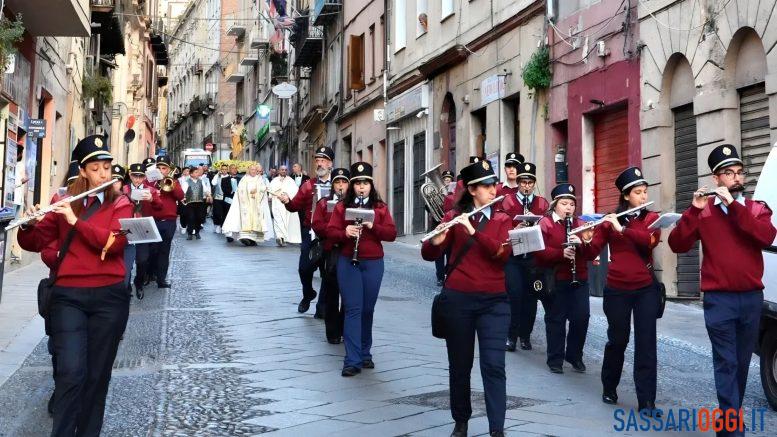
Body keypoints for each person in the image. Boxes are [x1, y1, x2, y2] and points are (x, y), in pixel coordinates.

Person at [17, 134, 132, 436]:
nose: (103, 174)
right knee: (69, 372)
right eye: (95, 169)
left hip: (109, 297)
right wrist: (28, 224)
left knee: (97, 376)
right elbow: (34, 242)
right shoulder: (63, 201)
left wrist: (76, 222)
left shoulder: (122, 203)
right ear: (82, 171)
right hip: (68, 297)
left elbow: (115, 245)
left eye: (107, 167)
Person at [669, 145, 776, 432]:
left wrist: (735, 207)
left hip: (751, 299)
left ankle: (727, 419)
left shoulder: (757, 209)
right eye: (729, 173)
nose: (736, 177)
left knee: (741, 364)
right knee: (726, 363)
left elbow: (765, 236)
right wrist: (693, 210)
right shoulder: (703, 212)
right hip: (719, 300)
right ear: (716, 179)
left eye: (739, 172)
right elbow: (677, 244)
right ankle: (732, 428)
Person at [421, 159, 512, 437]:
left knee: (494, 365)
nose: (493, 189)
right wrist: (434, 242)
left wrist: (473, 232)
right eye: (486, 186)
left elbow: (501, 254)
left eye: (494, 184)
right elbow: (429, 254)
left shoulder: (502, 219)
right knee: (460, 365)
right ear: (472, 190)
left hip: (494, 301)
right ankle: (461, 421)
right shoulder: (453, 217)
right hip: (459, 299)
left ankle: (497, 428)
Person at [584, 167, 663, 415]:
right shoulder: (610, 220)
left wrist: (622, 229)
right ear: (626, 196)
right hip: (617, 289)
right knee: (618, 340)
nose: (643, 196)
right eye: (638, 192)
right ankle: (609, 387)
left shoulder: (652, 218)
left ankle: (647, 401)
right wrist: (585, 239)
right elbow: (592, 251)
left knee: (646, 343)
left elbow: (649, 241)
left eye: (644, 191)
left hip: (645, 289)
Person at [327, 162, 397, 377]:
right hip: (349, 261)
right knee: (353, 309)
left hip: (373, 262)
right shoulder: (342, 207)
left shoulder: (380, 207)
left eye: (365, 183)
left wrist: (373, 226)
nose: (361, 187)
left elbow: (391, 234)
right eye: (357, 183)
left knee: (367, 309)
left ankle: (365, 353)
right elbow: (330, 232)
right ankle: (352, 359)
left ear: (371, 185)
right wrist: (345, 232)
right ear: (352, 186)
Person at [534, 183, 598, 374]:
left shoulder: (581, 224)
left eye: (572, 204)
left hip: (579, 278)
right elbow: (538, 252)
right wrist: (560, 254)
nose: (569, 208)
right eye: (564, 204)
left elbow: (592, 254)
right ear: (555, 205)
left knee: (581, 317)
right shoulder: (545, 223)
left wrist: (583, 244)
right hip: (556, 279)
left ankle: (574, 355)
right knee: (556, 319)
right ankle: (555, 359)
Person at [500, 161, 549, 352]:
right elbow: (501, 225)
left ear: (534, 183)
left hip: (533, 258)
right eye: (523, 182)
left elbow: (548, 227)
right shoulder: (508, 201)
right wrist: (515, 227)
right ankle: (510, 336)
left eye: (530, 183)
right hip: (514, 257)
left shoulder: (542, 203)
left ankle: (525, 336)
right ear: (518, 183)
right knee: (514, 295)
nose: (526, 186)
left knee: (531, 298)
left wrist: (538, 225)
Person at [280, 147, 334, 314]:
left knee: (328, 271)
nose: (319, 164)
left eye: (323, 160)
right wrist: (287, 201)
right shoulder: (308, 185)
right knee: (304, 268)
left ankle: (322, 307)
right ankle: (308, 293)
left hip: (331, 234)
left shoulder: (339, 184)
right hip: (310, 232)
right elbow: (294, 206)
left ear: (330, 164)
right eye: (317, 161)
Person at [311, 168, 350, 344]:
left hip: (349, 251)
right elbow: (317, 224)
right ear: (333, 185)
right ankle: (333, 332)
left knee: (349, 294)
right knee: (332, 293)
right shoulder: (324, 203)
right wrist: (334, 231)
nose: (340, 186)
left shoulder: (354, 204)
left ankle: (346, 328)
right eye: (337, 182)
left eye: (344, 182)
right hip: (331, 251)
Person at [124, 163, 163, 299]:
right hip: (127, 227)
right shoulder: (124, 189)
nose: (138, 179)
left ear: (144, 177)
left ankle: (139, 282)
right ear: (130, 176)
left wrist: (152, 199)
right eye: (135, 176)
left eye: (140, 177)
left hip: (143, 228)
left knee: (142, 260)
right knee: (127, 262)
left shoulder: (150, 190)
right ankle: (126, 287)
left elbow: (160, 206)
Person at [148, 155, 184, 288]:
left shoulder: (173, 181)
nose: (161, 171)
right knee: (152, 249)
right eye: (159, 168)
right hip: (152, 220)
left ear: (168, 170)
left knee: (164, 250)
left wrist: (171, 184)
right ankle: (150, 273)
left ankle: (161, 279)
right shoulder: (150, 181)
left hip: (168, 221)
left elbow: (180, 196)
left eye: (164, 168)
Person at [222, 164, 272, 245]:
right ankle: (245, 237)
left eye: (255, 170)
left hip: (256, 205)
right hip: (245, 205)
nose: (253, 171)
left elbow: (263, 189)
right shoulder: (244, 179)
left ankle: (253, 239)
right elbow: (240, 190)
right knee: (246, 220)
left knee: (255, 221)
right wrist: (249, 191)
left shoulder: (259, 179)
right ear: (249, 170)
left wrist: (258, 190)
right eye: (252, 169)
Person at [432, 170, 455, 286]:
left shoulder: (455, 196)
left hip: (450, 228)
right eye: (445, 180)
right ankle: (440, 277)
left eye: (449, 180)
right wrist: (433, 203)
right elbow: (429, 208)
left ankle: (449, 274)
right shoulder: (436, 195)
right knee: (439, 255)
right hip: (437, 226)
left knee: (450, 254)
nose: (447, 182)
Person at [269, 165, 302, 246]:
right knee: (278, 220)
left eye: (285, 170)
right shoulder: (274, 181)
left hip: (287, 204)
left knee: (286, 221)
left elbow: (295, 191)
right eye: (282, 169)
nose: (284, 171)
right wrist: (275, 195)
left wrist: (287, 195)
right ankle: (280, 237)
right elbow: (270, 191)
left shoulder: (291, 180)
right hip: (277, 203)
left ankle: (284, 237)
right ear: (279, 171)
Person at [180, 166, 212, 240]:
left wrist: (209, 195)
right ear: (191, 174)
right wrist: (183, 198)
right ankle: (190, 233)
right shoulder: (186, 182)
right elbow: (183, 192)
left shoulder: (201, 181)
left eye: (198, 172)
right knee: (191, 218)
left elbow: (205, 190)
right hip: (190, 203)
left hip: (200, 202)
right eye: (196, 172)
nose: (198, 173)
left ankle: (197, 231)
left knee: (200, 218)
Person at [211, 164, 230, 233]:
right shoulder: (218, 176)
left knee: (224, 212)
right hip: (217, 197)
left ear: (227, 170)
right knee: (217, 212)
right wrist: (217, 174)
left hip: (226, 198)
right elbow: (213, 183)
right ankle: (217, 224)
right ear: (221, 170)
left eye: (225, 169)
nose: (224, 171)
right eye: (223, 169)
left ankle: (221, 225)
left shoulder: (229, 177)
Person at [177, 166, 191, 235]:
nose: (186, 172)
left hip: (190, 198)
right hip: (182, 198)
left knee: (190, 213)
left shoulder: (192, 179)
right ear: (182, 172)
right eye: (185, 171)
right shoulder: (179, 179)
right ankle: (183, 226)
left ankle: (189, 226)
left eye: (187, 171)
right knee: (183, 213)